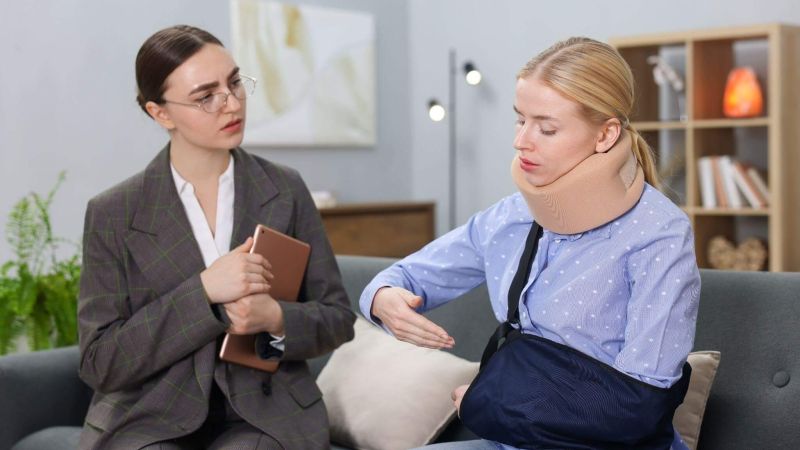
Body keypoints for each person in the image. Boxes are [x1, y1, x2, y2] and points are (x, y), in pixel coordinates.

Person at [360, 37, 700, 450]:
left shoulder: (657, 233)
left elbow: (638, 405)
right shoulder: (511, 216)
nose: (522, 140)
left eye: (547, 127)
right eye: (520, 120)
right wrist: (384, 298)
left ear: (606, 135)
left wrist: (493, 404)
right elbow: (406, 276)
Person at [77, 25, 355, 449]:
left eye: (235, 83)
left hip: (267, 414)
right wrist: (204, 290)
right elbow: (101, 362)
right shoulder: (114, 213)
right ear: (160, 113)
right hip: (149, 418)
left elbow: (337, 319)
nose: (231, 103)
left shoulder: (284, 189)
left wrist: (276, 320)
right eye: (206, 96)